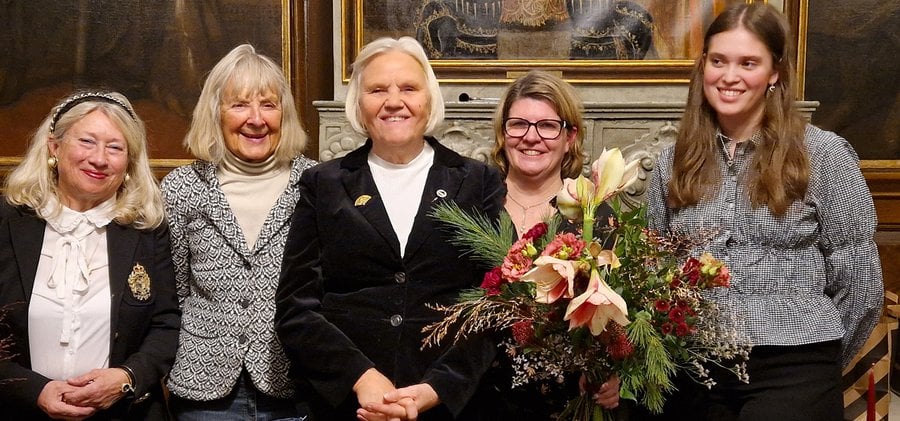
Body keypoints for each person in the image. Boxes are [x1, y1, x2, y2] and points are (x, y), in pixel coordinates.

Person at [645, 3, 883, 420]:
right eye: (718, 61)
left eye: (748, 63)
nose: (730, 76)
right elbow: (654, 271)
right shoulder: (672, 162)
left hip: (795, 365)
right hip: (695, 367)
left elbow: (861, 284)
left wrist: (821, 364)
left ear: (775, 72)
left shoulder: (825, 156)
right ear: (703, 67)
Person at [275, 36, 505, 421]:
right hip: (350, 406)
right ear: (359, 105)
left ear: (428, 99)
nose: (394, 101)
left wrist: (437, 388)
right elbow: (296, 308)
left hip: (450, 406)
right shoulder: (325, 184)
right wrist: (361, 378)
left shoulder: (477, 181)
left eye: (409, 88)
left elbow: (498, 303)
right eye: (377, 89)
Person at [0, 90, 181, 420]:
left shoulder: (145, 228)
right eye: (86, 141)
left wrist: (126, 378)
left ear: (129, 161)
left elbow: (167, 323)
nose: (99, 159)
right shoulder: (8, 221)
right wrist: (33, 390)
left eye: (115, 147)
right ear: (55, 147)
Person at [161, 44, 316, 420]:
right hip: (206, 392)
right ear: (215, 112)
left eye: (268, 104)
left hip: (296, 385)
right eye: (239, 104)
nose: (256, 119)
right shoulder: (182, 188)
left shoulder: (316, 183)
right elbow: (175, 292)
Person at [482, 70, 621, 419]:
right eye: (518, 125)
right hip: (478, 394)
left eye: (547, 126)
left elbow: (619, 315)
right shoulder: (476, 204)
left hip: (568, 401)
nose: (531, 138)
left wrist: (619, 375)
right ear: (503, 133)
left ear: (570, 137)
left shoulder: (594, 213)